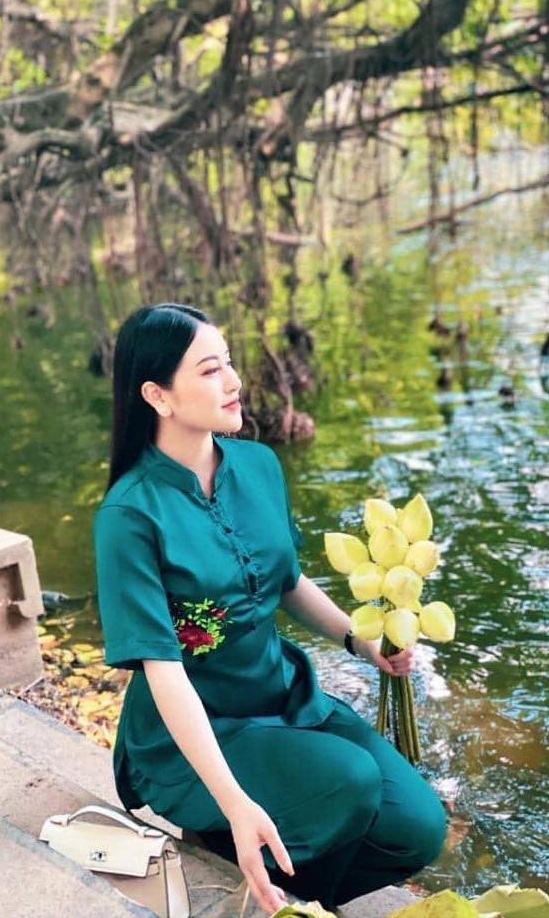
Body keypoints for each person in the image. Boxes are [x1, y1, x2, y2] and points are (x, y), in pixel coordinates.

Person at [93, 303, 447, 914]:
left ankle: (285, 890)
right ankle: (227, 838)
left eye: (229, 362)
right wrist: (234, 803)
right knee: (350, 783)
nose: (234, 381)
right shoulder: (129, 516)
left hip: (284, 697)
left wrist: (361, 642)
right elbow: (164, 671)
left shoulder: (258, 465)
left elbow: (286, 581)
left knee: (418, 826)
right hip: (195, 730)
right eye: (210, 370)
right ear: (158, 395)